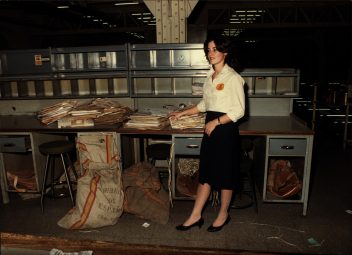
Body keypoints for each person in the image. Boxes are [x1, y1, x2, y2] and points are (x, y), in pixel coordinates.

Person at [170, 36, 245, 232]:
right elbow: (205, 105)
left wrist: (217, 121)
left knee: (225, 175)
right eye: (208, 50)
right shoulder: (210, 76)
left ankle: (223, 214)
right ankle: (196, 215)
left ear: (225, 52)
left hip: (225, 130)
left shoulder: (233, 78)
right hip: (211, 128)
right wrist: (183, 112)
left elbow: (239, 110)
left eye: (215, 49)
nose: (210, 53)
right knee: (206, 174)